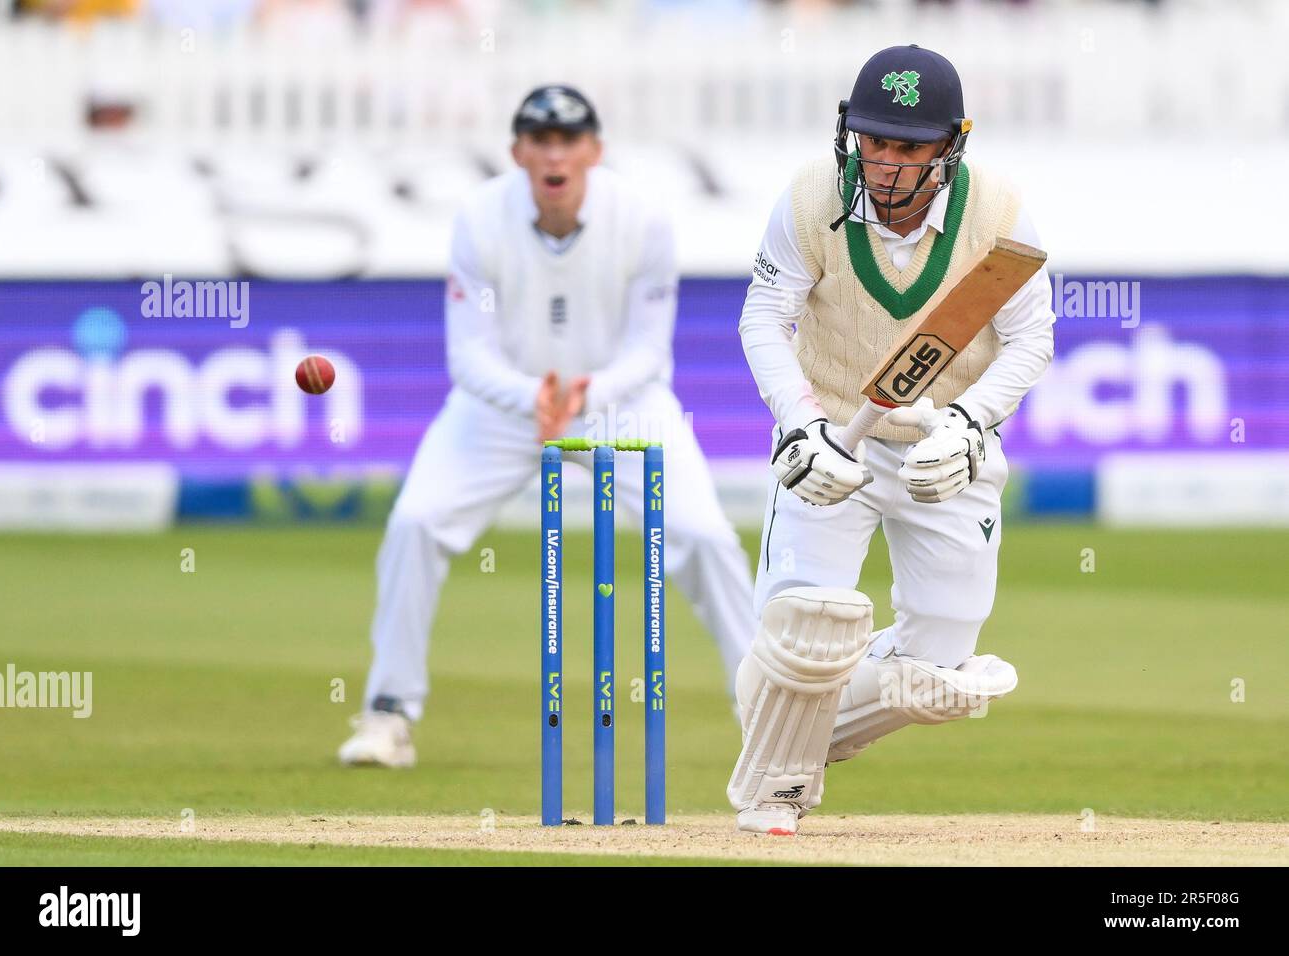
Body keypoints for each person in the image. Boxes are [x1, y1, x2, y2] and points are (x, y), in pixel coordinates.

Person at [339, 85, 756, 767]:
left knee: (704, 535)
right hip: (502, 406)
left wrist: (588, 393)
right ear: (518, 152)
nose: (554, 154)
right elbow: (466, 351)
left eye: (569, 140)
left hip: (622, 400)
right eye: (540, 140)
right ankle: (389, 713)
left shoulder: (643, 216)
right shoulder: (479, 217)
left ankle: (762, 709)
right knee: (416, 522)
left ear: (594, 150)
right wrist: (533, 395)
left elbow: (650, 349)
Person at [729, 45, 1055, 834]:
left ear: (951, 144)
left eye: (907, 146)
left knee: (937, 678)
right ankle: (778, 788)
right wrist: (801, 424)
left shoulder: (1001, 212)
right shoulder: (811, 198)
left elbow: (1031, 338)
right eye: (873, 140)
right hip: (837, 436)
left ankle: (804, 717)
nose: (885, 161)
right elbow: (764, 320)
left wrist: (972, 423)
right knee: (804, 620)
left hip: (944, 449)